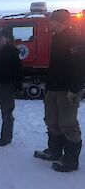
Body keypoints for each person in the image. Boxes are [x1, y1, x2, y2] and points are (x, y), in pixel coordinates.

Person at [34, 9, 84, 172]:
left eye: (53, 20)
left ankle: (70, 161)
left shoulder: (74, 39)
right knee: (52, 121)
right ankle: (54, 152)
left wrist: (75, 89)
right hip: (53, 88)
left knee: (68, 124)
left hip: (67, 90)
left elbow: (80, 66)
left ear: (61, 22)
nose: (50, 23)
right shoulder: (57, 37)